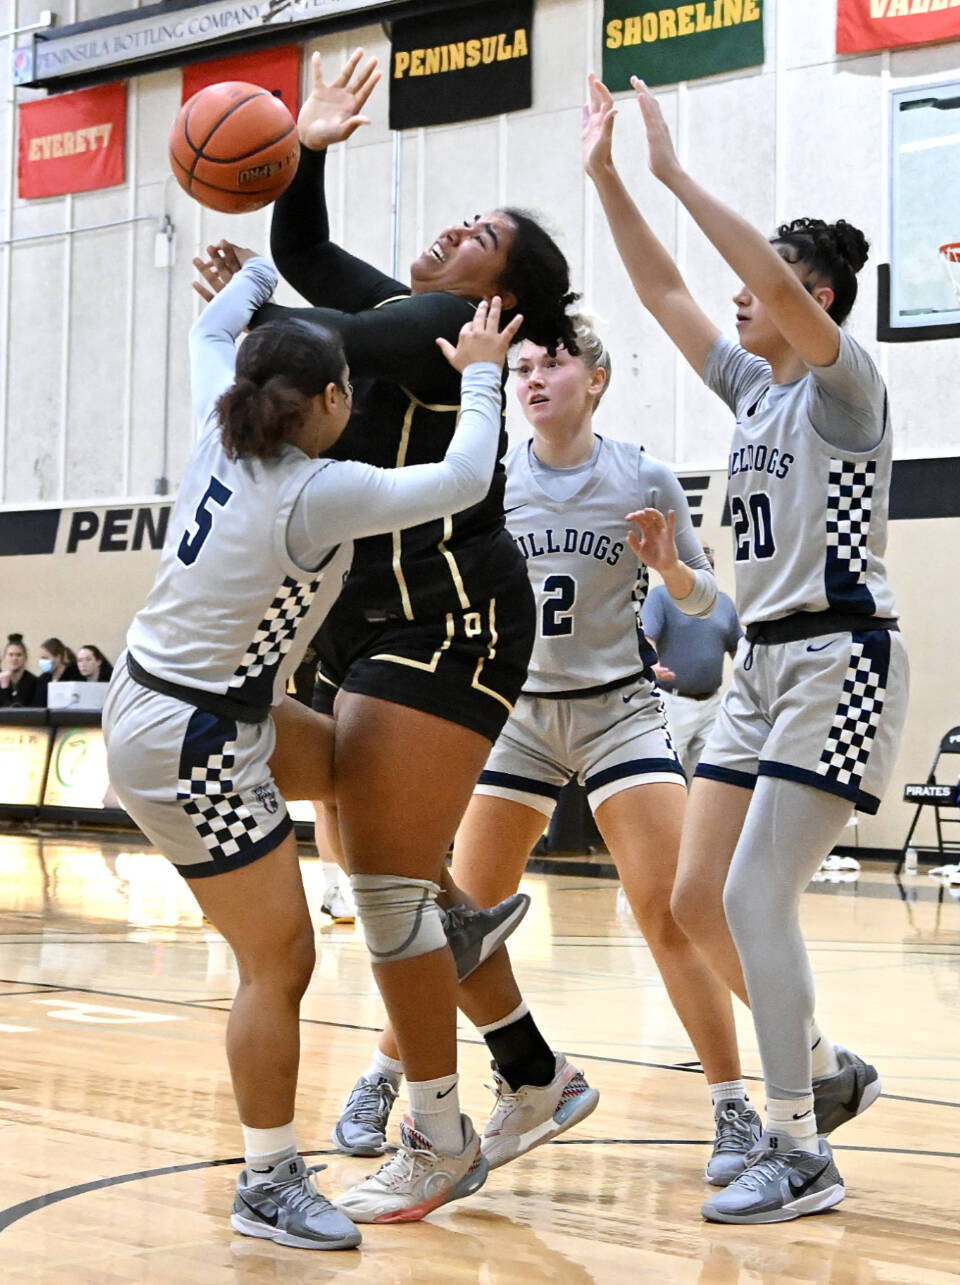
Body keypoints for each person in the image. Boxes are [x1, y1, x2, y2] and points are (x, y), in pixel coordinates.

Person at [195, 50, 597, 1223]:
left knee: (380, 881)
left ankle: (437, 1132)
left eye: (483, 235)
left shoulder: (444, 324)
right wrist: (309, 153)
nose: (457, 227)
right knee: (401, 873)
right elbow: (311, 257)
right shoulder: (404, 311)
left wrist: (242, 310)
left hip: (448, 616)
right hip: (372, 624)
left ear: (502, 294)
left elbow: (312, 323)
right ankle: (533, 1069)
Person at [104, 248, 524, 1250]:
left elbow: (211, 328)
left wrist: (253, 270)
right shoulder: (314, 491)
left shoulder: (219, 420)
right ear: (335, 398)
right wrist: (483, 374)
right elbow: (464, 477)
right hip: (193, 739)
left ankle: (447, 914)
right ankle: (267, 1180)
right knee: (279, 959)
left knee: (356, 771)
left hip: (196, 700)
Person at [583, 75, 909, 1224]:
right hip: (763, 667)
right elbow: (664, 288)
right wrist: (610, 179)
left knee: (758, 893)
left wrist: (676, 171)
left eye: (767, 283)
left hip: (840, 660)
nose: (739, 296)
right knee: (693, 897)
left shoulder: (843, 386)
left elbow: (755, 280)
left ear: (814, 299)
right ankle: (823, 1069)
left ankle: (800, 1148)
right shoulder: (751, 391)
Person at [337, 314, 763, 1184]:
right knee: (458, 920)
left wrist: (669, 568)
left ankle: (733, 1105)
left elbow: (707, 604)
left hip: (617, 711)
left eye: (552, 363)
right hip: (518, 716)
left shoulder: (642, 474)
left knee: (669, 908)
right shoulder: (488, 475)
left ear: (595, 380)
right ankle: (382, 1077)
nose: (532, 378)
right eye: (522, 366)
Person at [642, 544, 741, 781]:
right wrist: (651, 664)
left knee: (709, 772)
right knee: (670, 770)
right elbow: (648, 637)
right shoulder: (661, 597)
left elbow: (738, 649)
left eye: (709, 552)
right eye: (701, 551)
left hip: (712, 704)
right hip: (674, 702)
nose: (706, 555)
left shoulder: (724, 603)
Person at [31, 637, 81, 706]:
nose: (42, 661)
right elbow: (37, 705)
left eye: (45, 658)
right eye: (41, 658)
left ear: (58, 657)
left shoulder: (74, 676)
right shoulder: (42, 679)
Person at [0, 634, 37, 707]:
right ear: (4, 657)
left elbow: (18, 709)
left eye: (19, 655)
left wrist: (5, 689)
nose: (14, 658)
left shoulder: (33, 682)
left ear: (25, 657)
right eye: (11, 655)